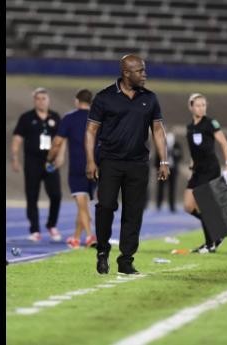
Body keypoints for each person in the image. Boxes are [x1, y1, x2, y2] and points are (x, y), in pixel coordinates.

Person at [85, 54, 169, 275]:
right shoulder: (104, 97)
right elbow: (91, 131)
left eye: (144, 70)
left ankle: (126, 259)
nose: (145, 74)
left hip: (138, 164)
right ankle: (102, 251)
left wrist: (163, 160)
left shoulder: (150, 98)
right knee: (105, 207)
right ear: (126, 73)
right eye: (140, 71)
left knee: (133, 213)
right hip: (110, 162)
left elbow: (158, 130)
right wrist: (91, 160)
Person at [46, 89, 98, 249]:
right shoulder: (99, 119)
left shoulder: (69, 118)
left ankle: (90, 236)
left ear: (77, 101)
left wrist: (49, 158)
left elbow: (57, 142)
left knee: (82, 204)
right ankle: (76, 238)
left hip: (77, 166)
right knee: (84, 204)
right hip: (95, 166)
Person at [183, 93, 227, 254]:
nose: (201, 108)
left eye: (204, 105)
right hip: (197, 170)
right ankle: (218, 231)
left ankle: (210, 243)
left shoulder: (211, 123)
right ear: (191, 107)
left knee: (203, 204)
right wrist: (191, 169)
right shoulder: (190, 127)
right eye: (198, 105)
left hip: (210, 169)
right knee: (188, 206)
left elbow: (225, 145)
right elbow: (193, 152)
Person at [11, 87, 63, 242]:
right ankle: (34, 229)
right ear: (34, 100)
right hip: (32, 162)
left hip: (50, 162)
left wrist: (60, 156)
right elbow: (17, 139)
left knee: (56, 195)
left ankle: (51, 225)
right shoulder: (26, 118)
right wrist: (15, 158)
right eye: (38, 98)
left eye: (44, 98)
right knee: (32, 196)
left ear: (48, 100)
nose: (41, 101)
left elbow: (61, 139)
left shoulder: (55, 117)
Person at [154, 131, 183, 212]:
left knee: (172, 188)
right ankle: (158, 205)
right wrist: (158, 167)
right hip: (163, 169)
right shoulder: (162, 145)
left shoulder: (177, 145)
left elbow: (180, 156)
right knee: (161, 188)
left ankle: (172, 206)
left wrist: (174, 154)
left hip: (173, 169)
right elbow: (157, 156)